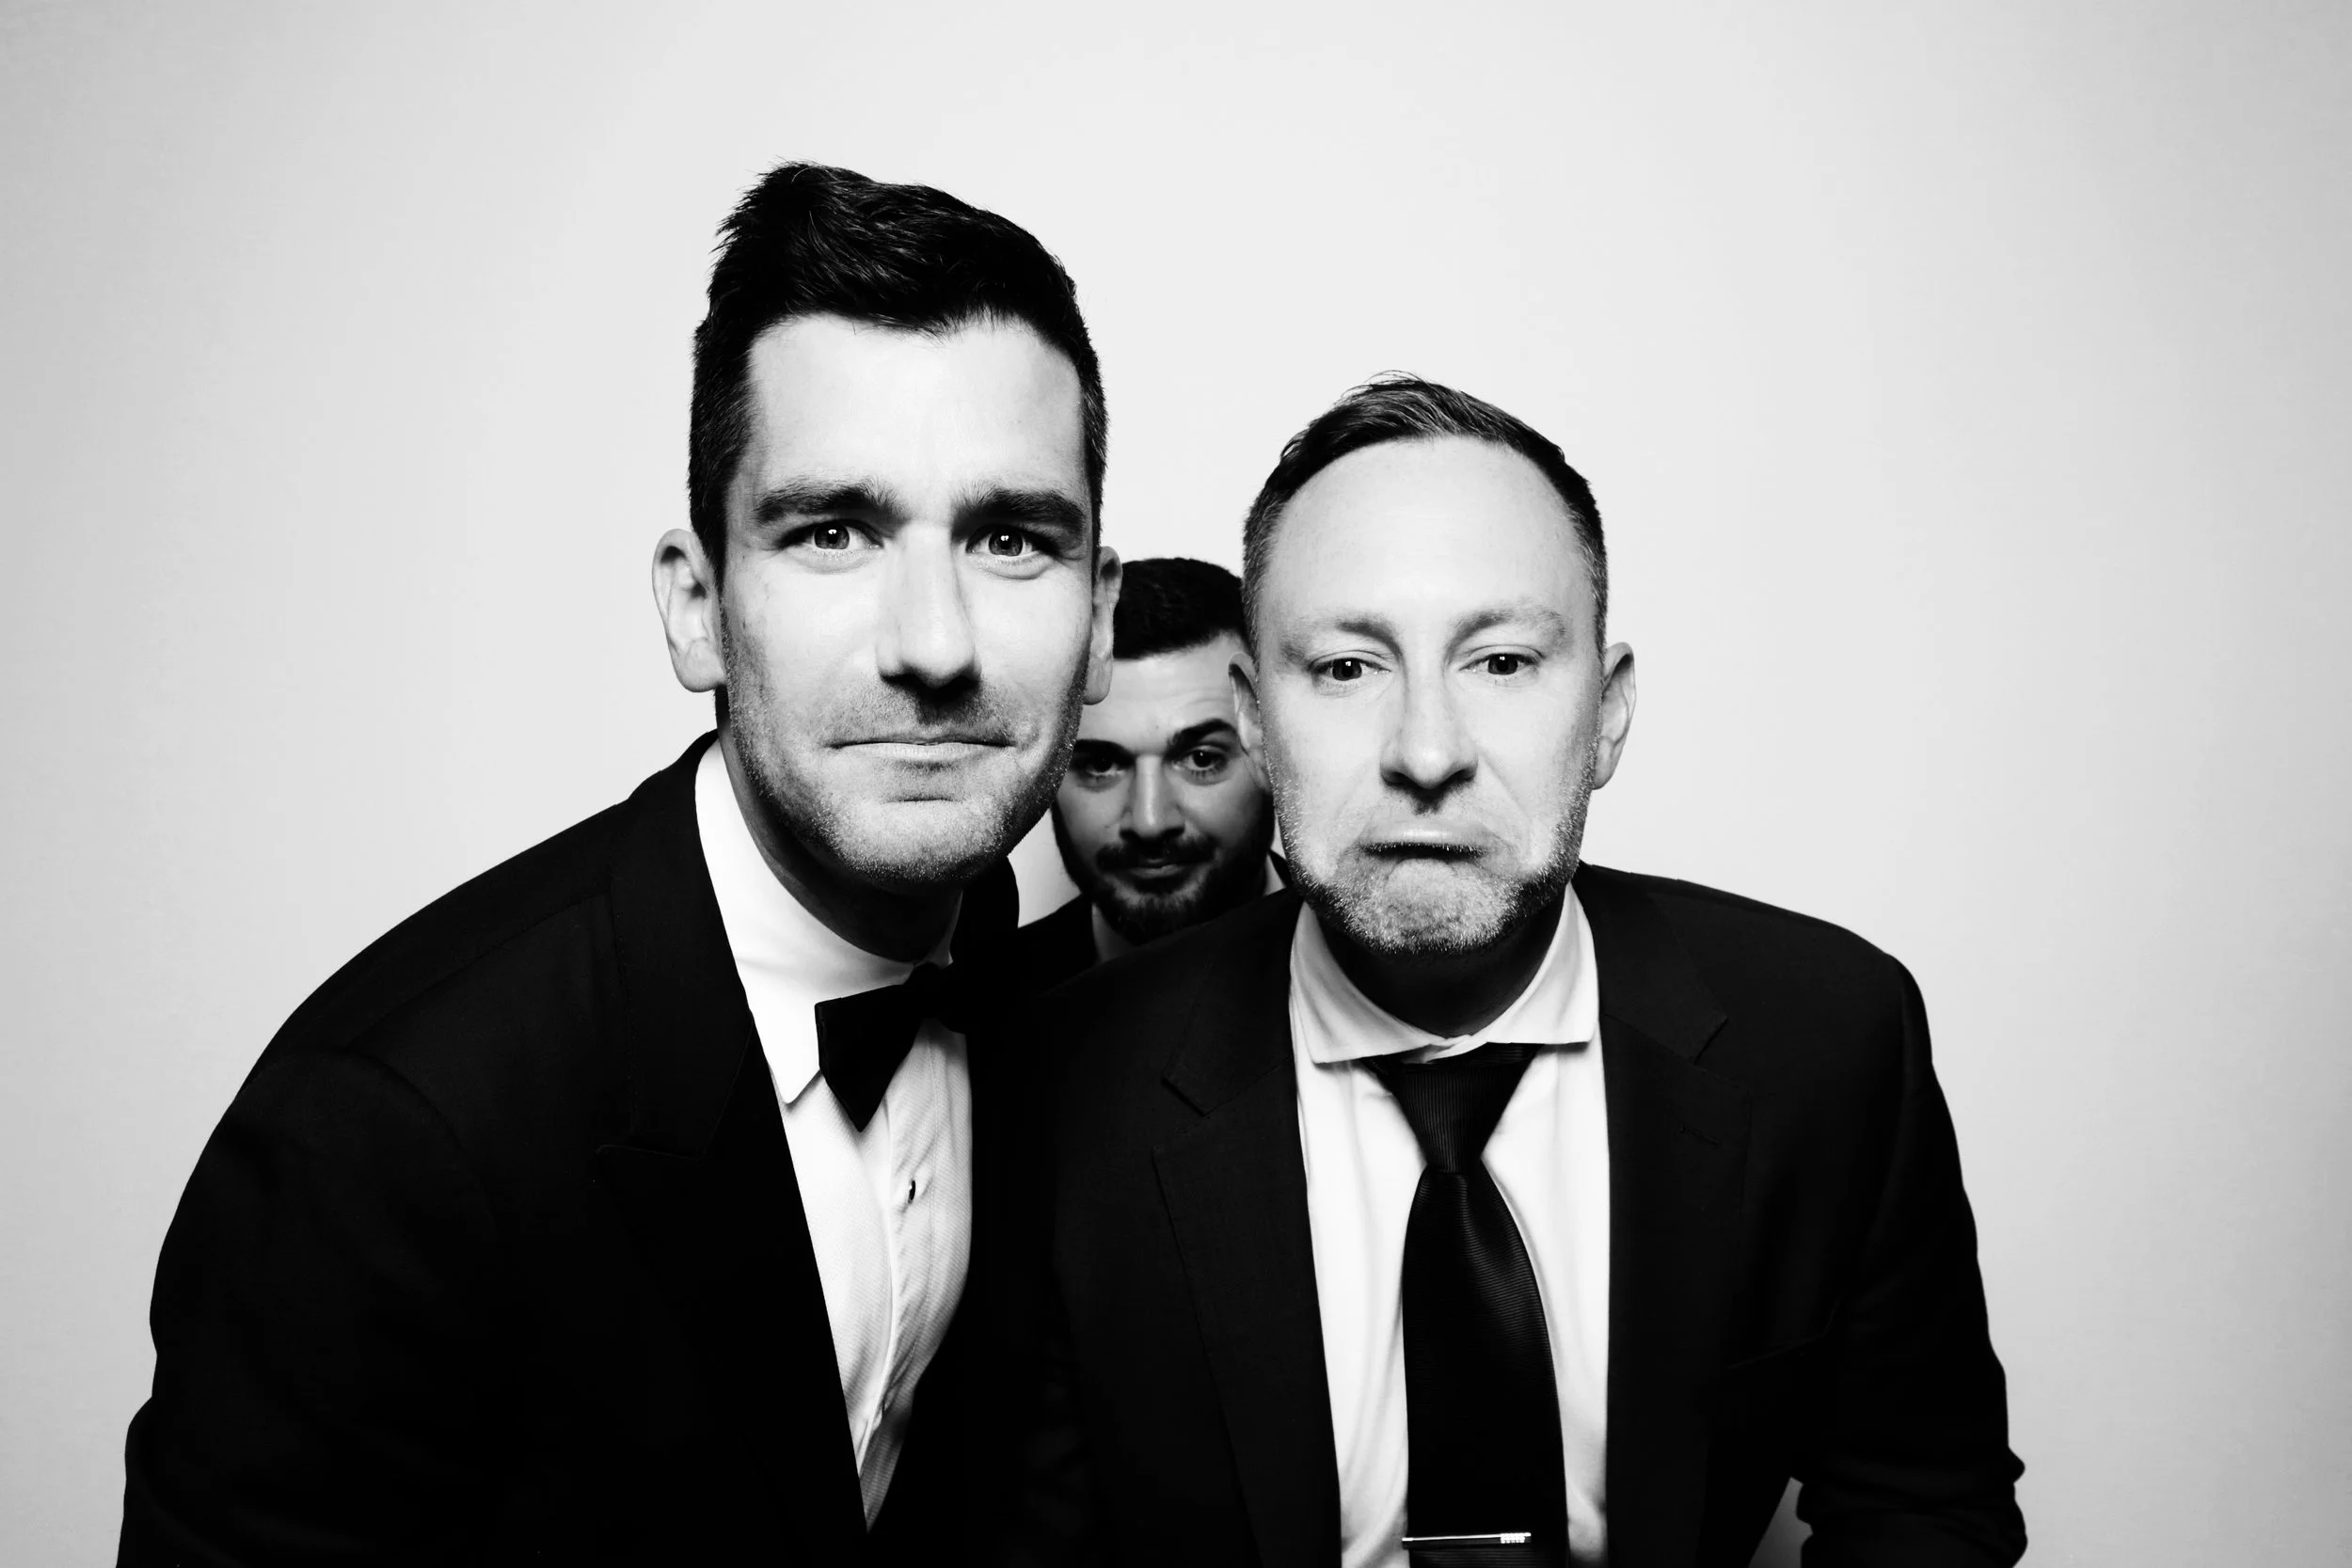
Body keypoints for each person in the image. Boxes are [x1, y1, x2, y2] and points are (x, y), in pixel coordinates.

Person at [119, 162, 1120, 1565]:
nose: (934, 642)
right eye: (833, 531)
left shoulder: (1017, 976)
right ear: (698, 605)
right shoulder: (386, 1135)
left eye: (1011, 537)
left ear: (1103, 618)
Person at [1017, 377, 2026, 1567]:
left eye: (1500, 661)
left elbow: (1922, 1500)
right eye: (1346, 667)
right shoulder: (1065, 1087)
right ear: (1255, 717)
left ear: (1605, 714)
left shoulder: (1828, 1039)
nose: (1427, 751)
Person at [1017, 557, 1281, 989]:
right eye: (1101, 765)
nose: (1150, 822)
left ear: (1273, 746)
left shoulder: (1378, 969)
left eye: (1202, 759)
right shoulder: (973, 1017)